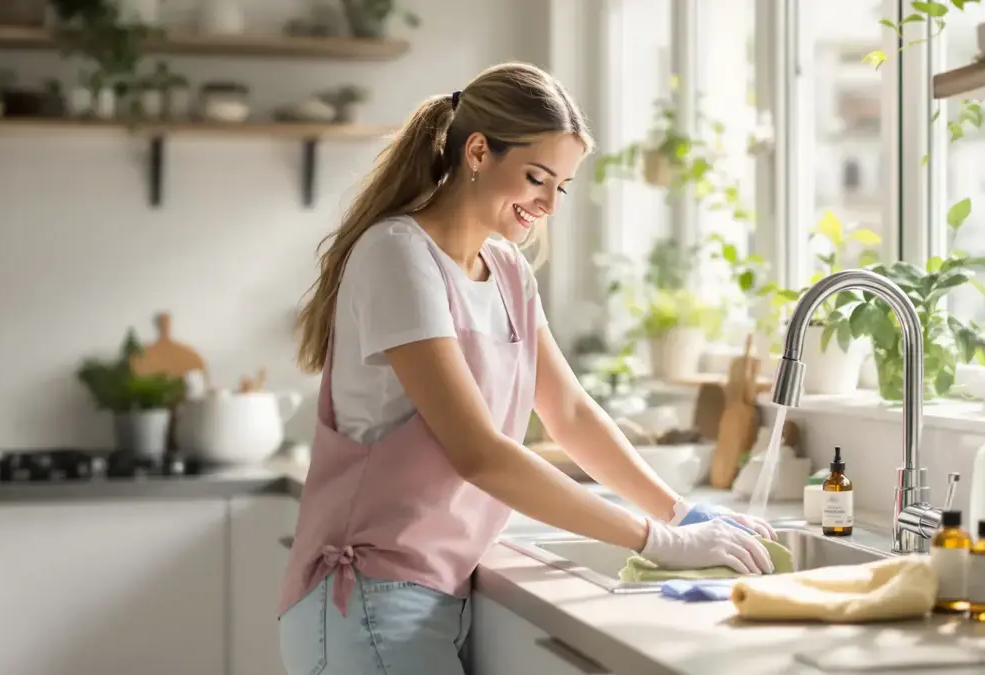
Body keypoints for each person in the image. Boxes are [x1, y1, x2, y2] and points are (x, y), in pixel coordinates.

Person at [278, 62, 776, 675]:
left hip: (435, 588)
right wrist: (656, 540)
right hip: (368, 596)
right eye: (537, 177)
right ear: (479, 151)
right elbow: (479, 454)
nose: (547, 204)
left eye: (561, 186)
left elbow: (567, 413)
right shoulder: (397, 255)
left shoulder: (507, 269)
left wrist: (679, 512)